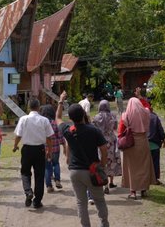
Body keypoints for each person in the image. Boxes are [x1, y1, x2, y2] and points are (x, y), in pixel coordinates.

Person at [56, 91, 109, 227]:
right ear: (84, 114)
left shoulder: (69, 131)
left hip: (75, 172)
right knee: (99, 200)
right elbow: (104, 149)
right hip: (92, 170)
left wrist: (61, 101)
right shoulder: (94, 130)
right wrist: (102, 165)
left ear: (72, 118)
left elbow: (58, 118)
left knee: (81, 203)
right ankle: (104, 224)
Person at [13, 98, 54, 209]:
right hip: (40, 150)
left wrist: (15, 145)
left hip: (26, 149)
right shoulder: (44, 120)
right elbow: (49, 138)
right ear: (39, 107)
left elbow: (18, 135)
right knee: (39, 175)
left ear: (28, 107)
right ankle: (37, 201)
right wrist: (49, 151)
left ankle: (28, 192)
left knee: (25, 172)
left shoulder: (23, 119)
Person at [119, 97, 155, 199]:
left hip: (131, 143)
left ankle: (133, 191)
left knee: (132, 168)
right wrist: (141, 98)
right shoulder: (146, 113)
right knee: (143, 166)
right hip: (143, 142)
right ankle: (143, 190)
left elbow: (120, 131)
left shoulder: (125, 116)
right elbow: (147, 106)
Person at [92, 100, 121, 195]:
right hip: (111, 141)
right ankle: (111, 182)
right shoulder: (113, 116)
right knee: (111, 161)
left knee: (102, 161)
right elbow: (115, 128)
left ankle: (105, 185)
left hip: (100, 142)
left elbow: (93, 129)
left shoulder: (96, 117)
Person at [39, 104, 65, 193]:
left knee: (47, 167)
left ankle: (49, 186)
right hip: (55, 148)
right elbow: (60, 136)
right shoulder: (55, 123)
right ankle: (57, 180)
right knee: (56, 163)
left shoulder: (41, 123)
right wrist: (64, 145)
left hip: (45, 149)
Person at [147, 107, 165, 184]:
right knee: (155, 162)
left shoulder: (142, 117)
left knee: (146, 163)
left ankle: (147, 179)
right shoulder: (155, 117)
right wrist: (163, 138)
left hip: (145, 144)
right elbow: (160, 129)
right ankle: (155, 179)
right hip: (155, 144)